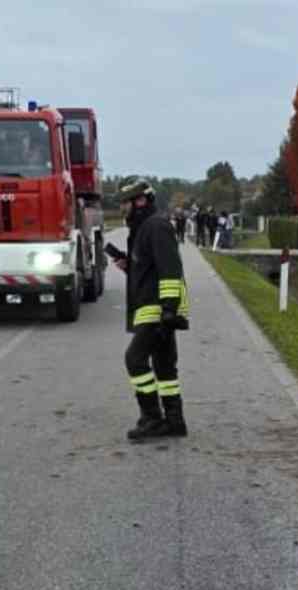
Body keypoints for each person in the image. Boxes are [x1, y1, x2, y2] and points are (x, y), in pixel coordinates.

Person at [111, 180, 190, 439]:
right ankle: (175, 422)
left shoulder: (155, 226)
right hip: (155, 306)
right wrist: (129, 266)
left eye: (125, 203)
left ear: (140, 201)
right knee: (164, 366)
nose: (122, 209)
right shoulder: (143, 227)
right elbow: (150, 270)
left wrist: (169, 310)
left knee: (134, 359)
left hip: (158, 308)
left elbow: (170, 269)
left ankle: (152, 418)